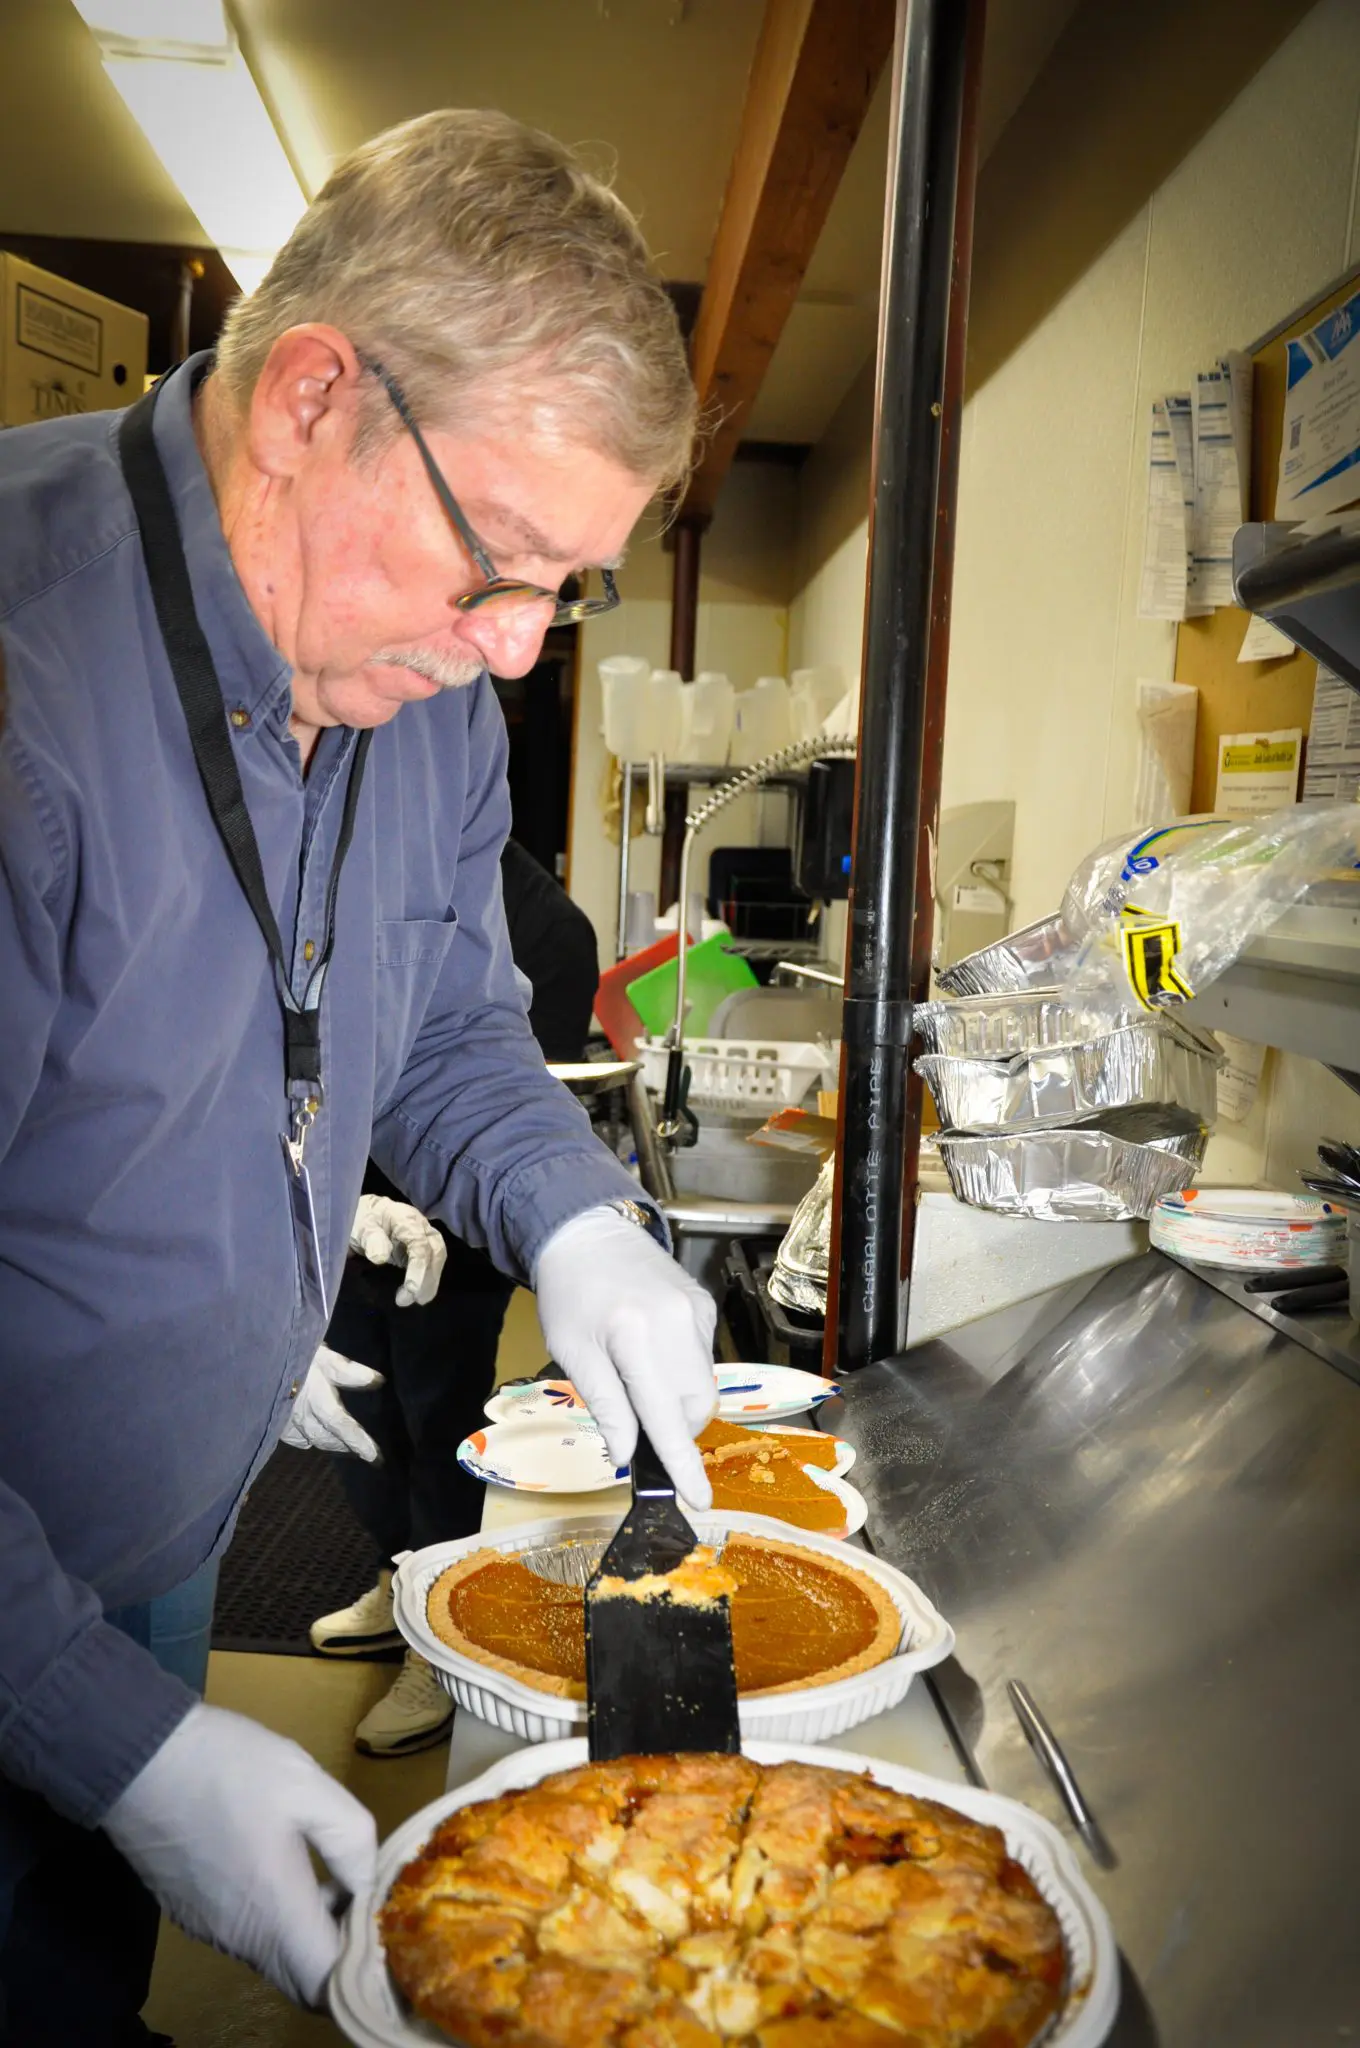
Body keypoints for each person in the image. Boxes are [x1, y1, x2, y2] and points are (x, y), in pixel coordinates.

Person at [0, 109, 718, 2045]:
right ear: (311, 397)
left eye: (558, 593)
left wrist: (576, 1215)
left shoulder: (420, 702)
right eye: (498, 566)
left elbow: (447, 1015)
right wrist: (115, 1745)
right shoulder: (25, 673)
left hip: (153, 1549)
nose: (506, 655)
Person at [310, 839, 601, 1756]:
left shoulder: (551, 928)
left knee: (442, 1424)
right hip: (333, 1205)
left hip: (455, 1230)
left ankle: (441, 1635)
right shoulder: (359, 879)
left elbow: (497, 1097)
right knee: (355, 1416)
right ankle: (402, 1585)